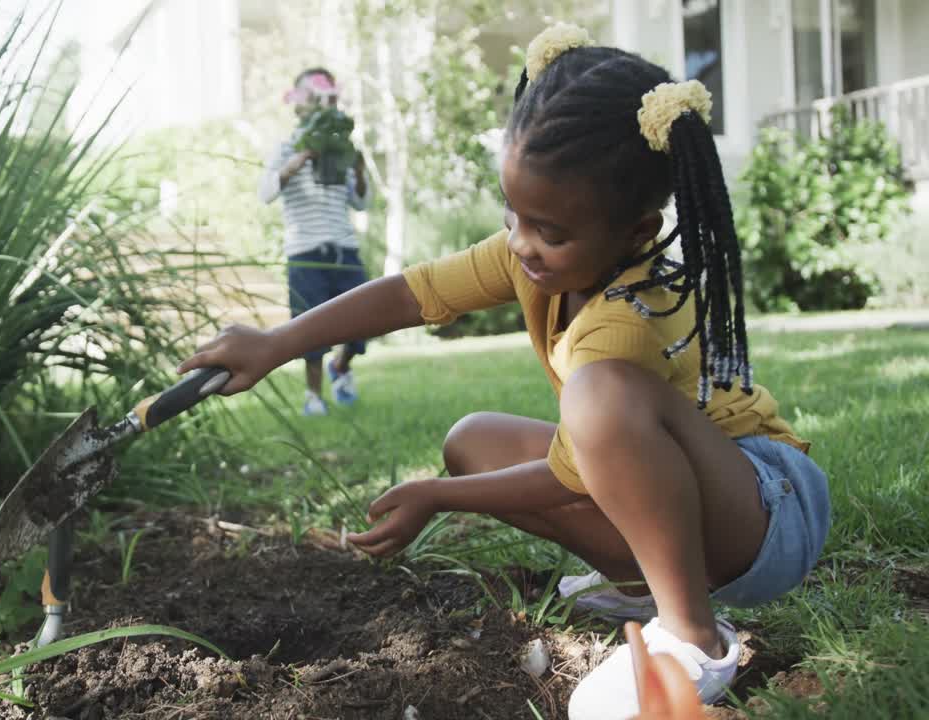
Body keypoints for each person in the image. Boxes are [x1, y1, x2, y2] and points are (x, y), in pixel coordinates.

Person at [183, 23, 830, 719]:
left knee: (597, 400)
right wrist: (277, 344)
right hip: (702, 503)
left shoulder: (626, 318)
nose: (522, 244)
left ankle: (695, 639)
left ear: (637, 233)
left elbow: (566, 472)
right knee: (474, 440)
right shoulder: (532, 252)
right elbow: (416, 291)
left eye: (550, 231)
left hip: (765, 514)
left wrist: (437, 496)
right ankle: (648, 582)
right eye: (513, 214)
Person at [258, 67, 370, 416]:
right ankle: (314, 396)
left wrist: (361, 171)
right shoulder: (286, 148)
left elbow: (360, 202)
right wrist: (299, 160)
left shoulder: (339, 149)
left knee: (365, 320)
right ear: (298, 103)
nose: (323, 101)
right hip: (304, 251)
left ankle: (342, 367)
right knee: (310, 330)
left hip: (343, 247)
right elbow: (265, 192)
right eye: (314, 94)